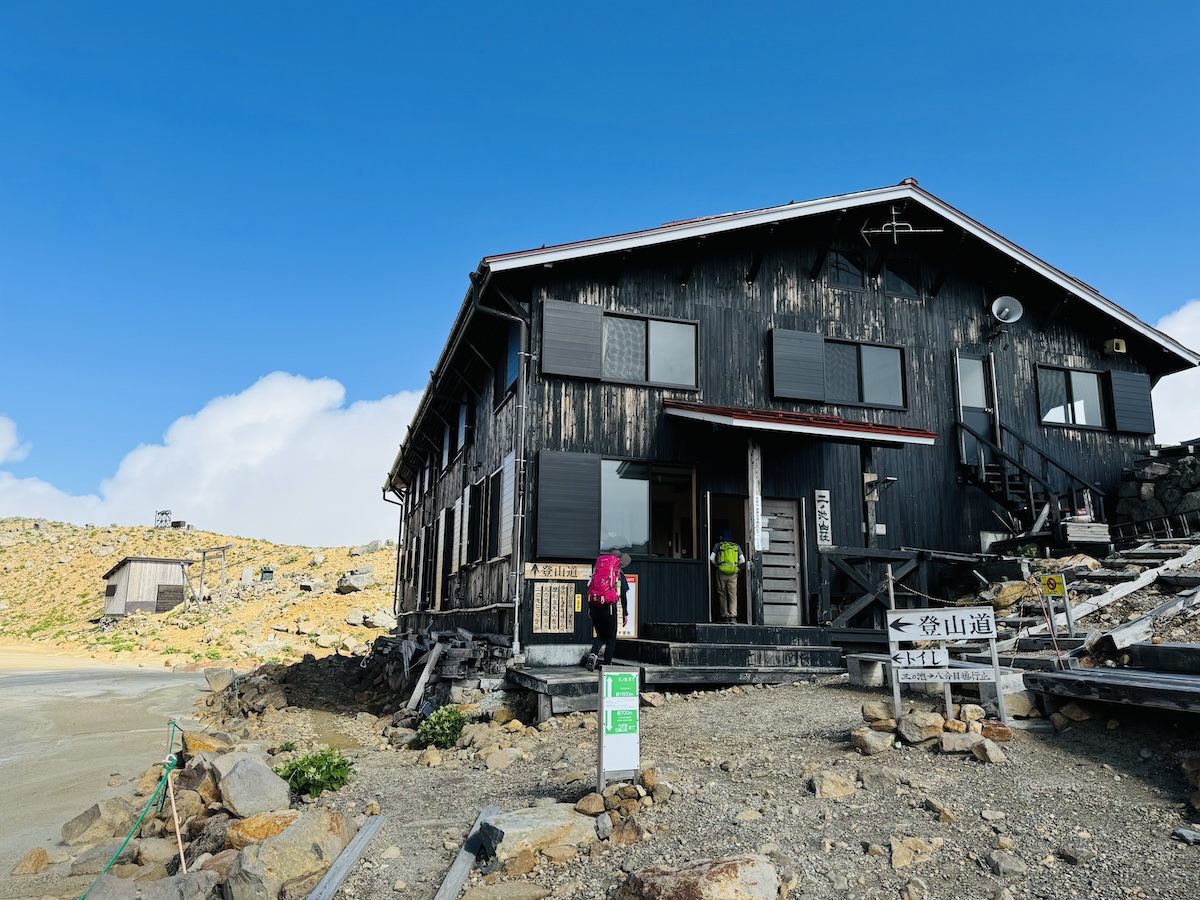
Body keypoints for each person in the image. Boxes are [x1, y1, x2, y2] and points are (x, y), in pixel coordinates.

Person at [584, 550, 630, 671]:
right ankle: (606, 664)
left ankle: (594, 654)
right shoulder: (619, 574)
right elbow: (623, 596)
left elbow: (592, 588)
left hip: (595, 607)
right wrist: (625, 613)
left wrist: (590, 608)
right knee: (610, 638)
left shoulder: (598, 571)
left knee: (600, 635)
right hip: (609, 608)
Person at [709, 529, 745, 624]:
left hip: (721, 572)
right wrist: (736, 566)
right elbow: (743, 560)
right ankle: (733, 616)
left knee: (722, 594)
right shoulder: (736, 546)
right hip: (733, 573)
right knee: (733, 595)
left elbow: (711, 558)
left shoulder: (719, 546)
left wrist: (718, 565)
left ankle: (725, 616)